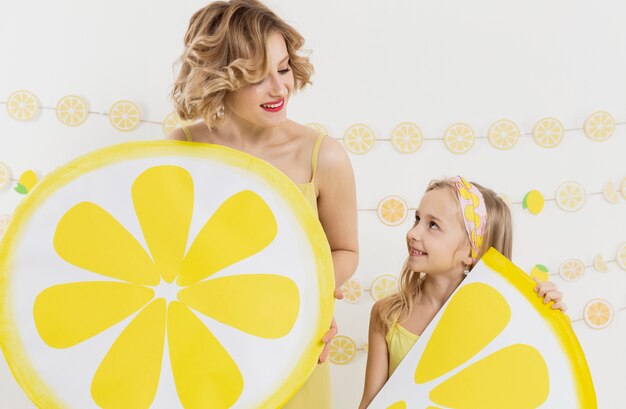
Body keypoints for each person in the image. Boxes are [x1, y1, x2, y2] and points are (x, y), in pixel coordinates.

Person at [166, 1, 358, 407]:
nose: (279, 88)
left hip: (290, 349)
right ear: (218, 78)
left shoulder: (323, 157)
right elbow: (164, 257)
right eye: (256, 76)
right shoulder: (181, 150)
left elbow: (345, 251)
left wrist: (310, 295)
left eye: (284, 68)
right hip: (204, 350)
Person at [358, 176, 567, 408]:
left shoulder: (496, 322)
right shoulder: (388, 314)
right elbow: (371, 402)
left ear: (471, 250)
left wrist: (548, 317)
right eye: (416, 219)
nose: (413, 233)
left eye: (433, 225)